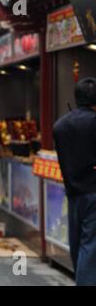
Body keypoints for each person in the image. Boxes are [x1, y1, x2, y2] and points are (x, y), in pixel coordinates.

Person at [53, 77, 96, 286]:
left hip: (72, 191)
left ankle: (82, 278)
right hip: (94, 191)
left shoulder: (60, 126)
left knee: (77, 241)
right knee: (91, 244)